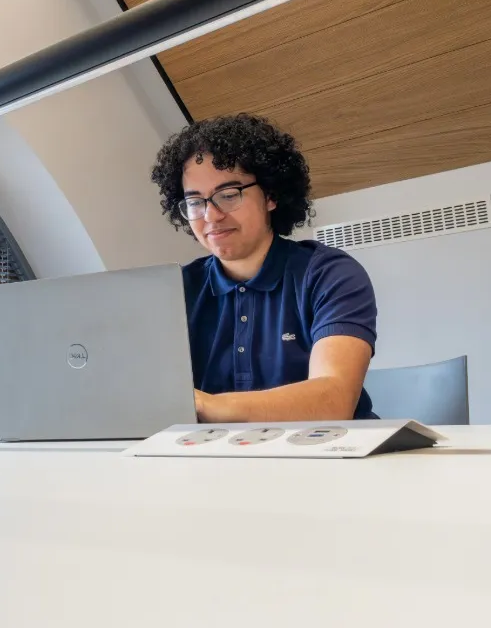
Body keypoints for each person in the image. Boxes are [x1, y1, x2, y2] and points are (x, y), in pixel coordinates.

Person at [150, 113, 377, 422]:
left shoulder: (330, 275)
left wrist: (202, 405)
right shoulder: (175, 291)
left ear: (271, 195)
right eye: (195, 202)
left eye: (228, 195)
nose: (211, 216)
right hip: (217, 461)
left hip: (327, 458)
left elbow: (333, 401)